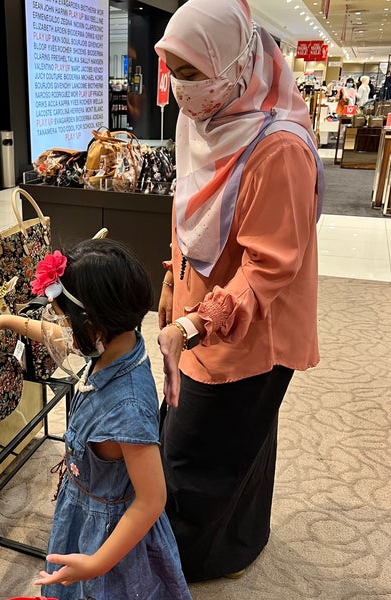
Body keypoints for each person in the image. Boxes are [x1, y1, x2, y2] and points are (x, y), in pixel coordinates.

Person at [154, 0, 324, 583]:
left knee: (196, 448)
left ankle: (191, 562)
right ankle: (239, 539)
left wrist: (193, 324)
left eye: (193, 72)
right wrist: (172, 286)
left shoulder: (279, 148)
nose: (182, 88)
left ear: (233, 62)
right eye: (174, 71)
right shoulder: (201, 121)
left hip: (252, 324)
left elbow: (269, 268)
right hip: (200, 310)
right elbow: (189, 219)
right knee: (234, 437)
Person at [0, 239, 193, 600]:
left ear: (94, 327)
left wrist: (97, 563)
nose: (62, 330)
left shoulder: (128, 408)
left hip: (111, 532)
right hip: (84, 504)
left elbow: (152, 500)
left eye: (66, 320)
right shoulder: (117, 343)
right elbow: (59, 336)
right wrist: (8, 321)